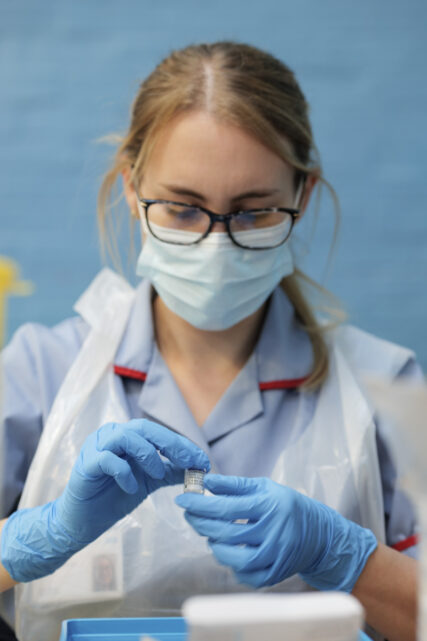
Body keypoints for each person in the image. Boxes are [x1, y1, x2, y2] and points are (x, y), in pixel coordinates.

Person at [0, 41, 422, 641]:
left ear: (301, 196)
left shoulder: (385, 386)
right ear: (130, 186)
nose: (214, 243)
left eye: (253, 213)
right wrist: (35, 538)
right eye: (181, 208)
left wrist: (350, 559)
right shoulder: (40, 373)